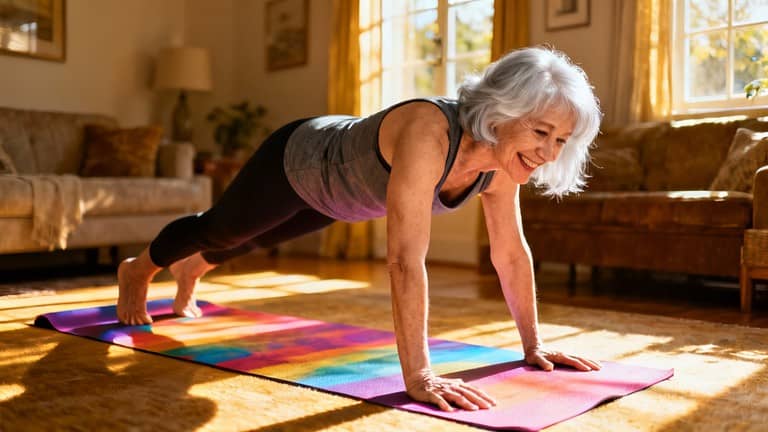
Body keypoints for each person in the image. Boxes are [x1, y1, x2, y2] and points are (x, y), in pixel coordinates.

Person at [117, 46, 603, 412]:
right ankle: (138, 271)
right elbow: (404, 260)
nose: (550, 153)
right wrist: (420, 375)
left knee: (258, 238)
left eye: (561, 139)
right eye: (541, 133)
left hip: (345, 199)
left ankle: (191, 272)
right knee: (222, 229)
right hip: (301, 162)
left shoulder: (500, 165)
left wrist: (533, 344)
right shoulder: (429, 132)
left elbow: (511, 254)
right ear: (502, 111)